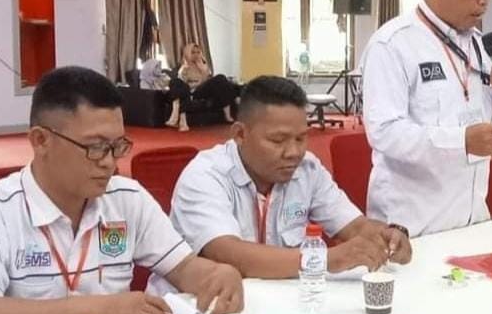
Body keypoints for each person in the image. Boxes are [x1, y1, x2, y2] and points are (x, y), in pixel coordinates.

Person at [0, 66, 243, 314]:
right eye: (95, 147)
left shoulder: (127, 199)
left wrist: (217, 275)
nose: (109, 162)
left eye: (117, 146)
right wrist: (93, 310)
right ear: (41, 141)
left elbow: (184, 268)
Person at [360, 0, 492, 237]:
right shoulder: (393, 44)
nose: (484, 0)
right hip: (412, 229)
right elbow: (385, 133)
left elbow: (490, 124)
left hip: (473, 219)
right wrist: (462, 141)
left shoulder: (478, 44)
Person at [169, 76, 412, 278]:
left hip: (280, 303)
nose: (294, 152)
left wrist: (387, 236)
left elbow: (355, 226)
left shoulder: (307, 169)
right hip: (204, 310)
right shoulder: (205, 176)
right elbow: (228, 253)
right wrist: (323, 259)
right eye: (278, 140)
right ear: (240, 134)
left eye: (301, 138)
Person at [165, 42, 238, 132]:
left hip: (203, 91)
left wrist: (203, 70)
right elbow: (183, 86)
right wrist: (197, 83)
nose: (196, 55)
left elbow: (208, 81)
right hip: (192, 93)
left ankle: (228, 114)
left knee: (221, 78)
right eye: (193, 52)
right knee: (176, 82)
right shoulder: (184, 69)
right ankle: (177, 115)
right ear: (187, 54)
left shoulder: (203, 65)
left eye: (198, 52)